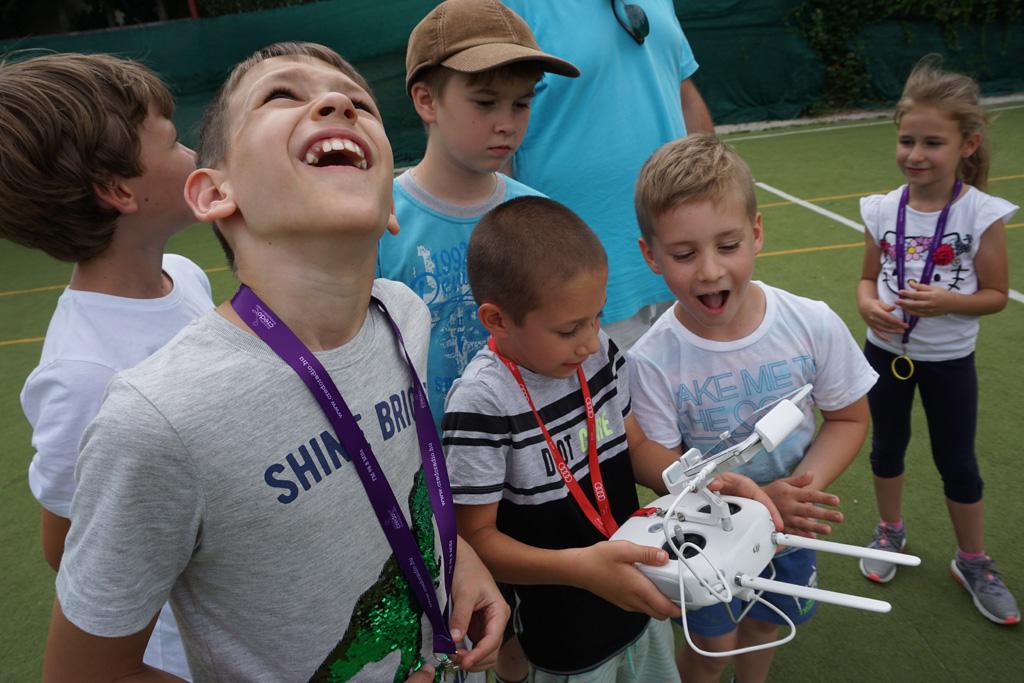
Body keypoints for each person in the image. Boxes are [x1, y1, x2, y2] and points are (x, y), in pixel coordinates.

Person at [42, 42, 508, 682]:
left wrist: (458, 560)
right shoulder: (155, 421)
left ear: (389, 205)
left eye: (361, 102)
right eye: (281, 95)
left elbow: (401, 489)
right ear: (214, 193)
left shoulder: (404, 316)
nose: (338, 102)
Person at [444, 195, 783, 682]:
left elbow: (636, 446)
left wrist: (701, 481)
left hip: (639, 594)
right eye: (569, 329)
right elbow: (475, 539)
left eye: (597, 317)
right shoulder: (482, 402)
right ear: (497, 320)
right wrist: (582, 569)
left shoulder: (599, 353)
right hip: (561, 632)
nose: (589, 341)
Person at [629, 134, 876, 683]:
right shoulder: (651, 360)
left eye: (728, 245)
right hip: (705, 533)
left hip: (791, 522)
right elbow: (659, 464)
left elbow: (848, 416)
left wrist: (798, 492)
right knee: (711, 643)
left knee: (768, 625)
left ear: (757, 233)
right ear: (650, 255)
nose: (710, 270)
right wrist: (752, 503)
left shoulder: (810, 323)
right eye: (684, 254)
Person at [0, 52, 213, 681]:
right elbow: (64, 545)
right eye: (174, 144)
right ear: (119, 191)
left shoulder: (187, 276)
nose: (193, 155)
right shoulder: (82, 373)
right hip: (184, 650)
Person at [855, 57, 1018, 624]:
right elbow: (866, 279)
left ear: (967, 145)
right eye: (907, 141)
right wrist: (868, 305)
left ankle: (972, 560)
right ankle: (889, 530)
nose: (916, 155)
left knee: (958, 462)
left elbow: (995, 294)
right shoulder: (881, 209)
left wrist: (949, 302)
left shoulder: (981, 213)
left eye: (932, 143)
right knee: (886, 448)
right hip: (885, 354)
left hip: (949, 361)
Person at [379, 0, 578, 428]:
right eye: (485, 102)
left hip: (529, 445)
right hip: (425, 454)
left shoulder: (539, 215)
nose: (507, 123)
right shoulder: (381, 223)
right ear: (427, 100)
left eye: (521, 104)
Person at [500, 0, 714, 350]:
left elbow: (684, 94)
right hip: (578, 281)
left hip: (684, 267)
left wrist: (716, 204)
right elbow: (493, 134)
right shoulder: (511, 6)